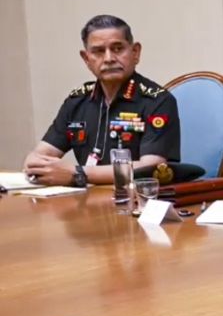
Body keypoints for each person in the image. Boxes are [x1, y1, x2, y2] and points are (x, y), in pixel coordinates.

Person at [22, 15, 180, 187]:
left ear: (135, 52)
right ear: (86, 59)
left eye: (118, 48)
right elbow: (41, 155)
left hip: (134, 200)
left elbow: (150, 167)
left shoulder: (157, 100)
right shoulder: (77, 101)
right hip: (85, 202)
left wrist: (78, 174)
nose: (109, 58)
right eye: (98, 51)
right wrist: (35, 164)